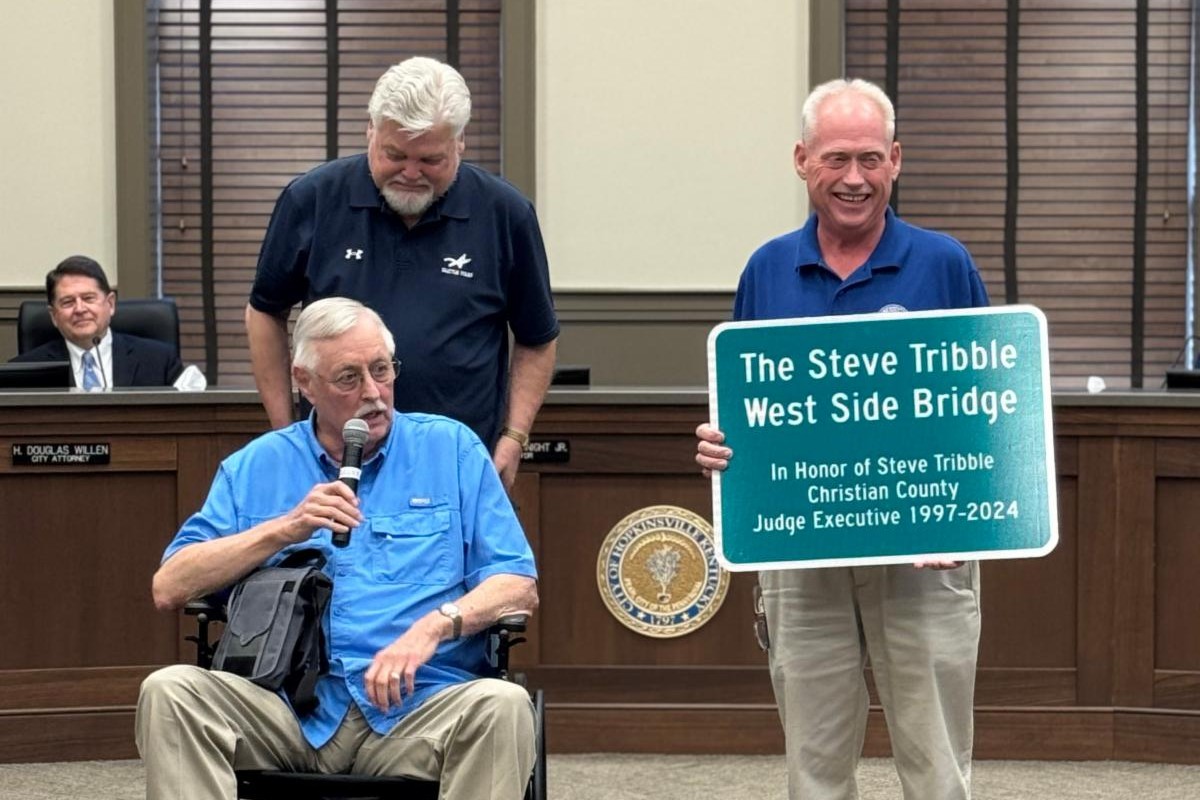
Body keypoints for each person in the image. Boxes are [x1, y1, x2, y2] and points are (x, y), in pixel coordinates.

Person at [696, 79, 989, 800]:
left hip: (925, 552)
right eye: (834, 159)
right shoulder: (766, 270)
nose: (852, 178)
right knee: (815, 766)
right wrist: (723, 448)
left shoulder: (945, 264)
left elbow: (987, 411)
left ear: (895, 160)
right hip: (804, 555)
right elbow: (749, 406)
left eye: (868, 158)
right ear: (801, 160)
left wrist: (968, 514)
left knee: (936, 761)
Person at [136, 297, 538, 800]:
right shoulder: (256, 466)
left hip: (418, 708)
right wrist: (283, 529)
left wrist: (434, 626)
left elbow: (517, 583)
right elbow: (170, 586)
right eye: (348, 378)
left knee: (502, 704)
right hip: (285, 708)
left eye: (382, 370)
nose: (373, 393)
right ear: (304, 383)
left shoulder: (451, 450)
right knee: (170, 692)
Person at [245, 55, 559, 490]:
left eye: (430, 159)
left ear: (460, 143)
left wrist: (513, 438)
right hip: (334, 461)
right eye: (395, 155)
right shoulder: (311, 200)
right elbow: (264, 311)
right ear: (370, 131)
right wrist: (286, 434)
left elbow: (537, 338)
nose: (410, 173)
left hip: (459, 467)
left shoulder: (506, 214)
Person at [10, 255, 182, 388]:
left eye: (88, 298)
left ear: (110, 304)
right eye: (68, 302)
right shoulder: (23, 372)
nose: (80, 309)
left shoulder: (160, 361)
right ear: (54, 315)